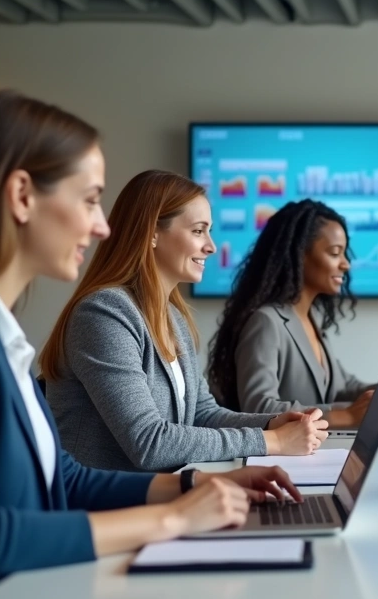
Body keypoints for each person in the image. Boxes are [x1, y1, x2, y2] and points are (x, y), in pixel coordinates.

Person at [0, 92, 302, 599]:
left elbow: (62, 481)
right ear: (22, 195)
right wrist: (174, 519)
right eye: (91, 199)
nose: (102, 226)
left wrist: (199, 484)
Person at [43, 170, 328, 472]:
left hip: (156, 497)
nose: (211, 246)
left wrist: (271, 422)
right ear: (152, 232)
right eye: (198, 231)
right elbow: (150, 443)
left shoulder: (173, 318)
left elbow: (202, 414)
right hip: (105, 509)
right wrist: (274, 441)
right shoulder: (104, 314)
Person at [208, 199, 378, 427]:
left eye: (344, 253)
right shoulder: (266, 322)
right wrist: (342, 416)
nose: (346, 264)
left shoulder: (308, 319)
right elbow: (259, 408)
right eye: (335, 253)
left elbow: (340, 387)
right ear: (299, 256)